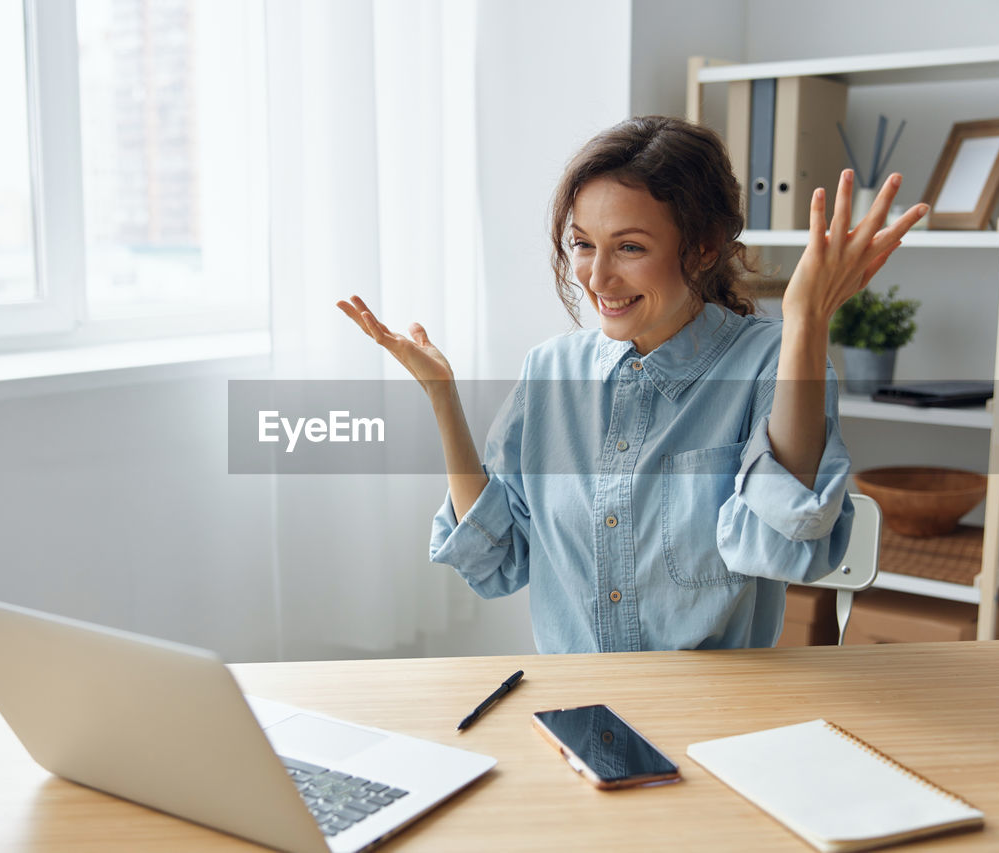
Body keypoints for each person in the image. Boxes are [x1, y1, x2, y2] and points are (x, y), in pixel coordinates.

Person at [337, 116, 927, 653]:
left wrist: (807, 321)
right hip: (575, 717)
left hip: (713, 718)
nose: (597, 277)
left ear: (701, 248)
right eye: (583, 245)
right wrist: (443, 397)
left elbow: (789, 534)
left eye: (630, 247)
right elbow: (497, 555)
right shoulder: (549, 371)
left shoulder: (772, 361)